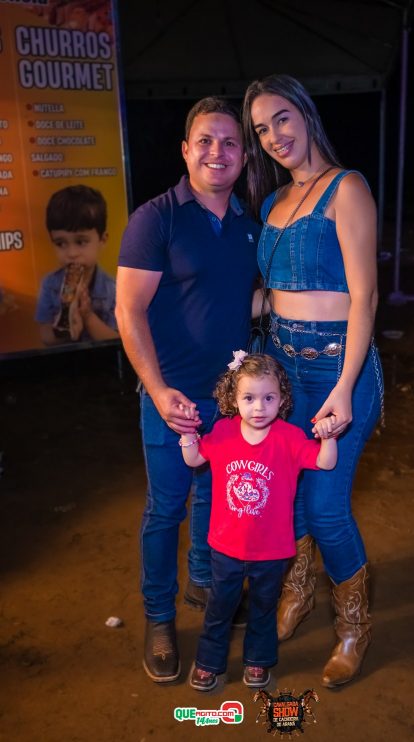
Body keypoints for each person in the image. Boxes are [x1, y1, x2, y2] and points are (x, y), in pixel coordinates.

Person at [241, 74, 384, 689]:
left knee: (325, 509)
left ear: (304, 113)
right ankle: (297, 588)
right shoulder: (272, 203)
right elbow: (267, 297)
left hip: (337, 370)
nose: (273, 137)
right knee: (287, 499)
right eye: (260, 130)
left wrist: (345, 386)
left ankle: (353, 624)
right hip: (282, 372)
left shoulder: (347, 188)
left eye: (281, 119)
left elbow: (366, 297)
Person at [116, 97, 261, 683]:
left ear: (243, 155)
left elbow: (240, 300)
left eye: (229, 142)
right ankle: (158, 619)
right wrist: (156, 389)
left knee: (213, 501)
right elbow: (128, 311)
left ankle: (202, 582)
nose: (217, 152)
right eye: (205, 140)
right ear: (185, 150)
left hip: (227, 401)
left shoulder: (250, 225)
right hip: (170, 401)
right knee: (166, 509)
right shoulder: (157, 218)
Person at [180, 351, 337, 691]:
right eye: (249, 398)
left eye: (269, 398)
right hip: (226, 546)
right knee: (220, 607)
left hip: (274, 549)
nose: (259, 407)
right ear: (233, 399)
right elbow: (194, 458)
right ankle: (208, 663)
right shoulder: (222, 432)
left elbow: (324, 463)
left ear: (282, 399)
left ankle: (257, 662)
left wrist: (329, 436)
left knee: (264, 609)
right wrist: (188, 432)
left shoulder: (291, 438)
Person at [35, 185, 118, 345]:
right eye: (60, 243)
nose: (71, 253)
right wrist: (66, 326)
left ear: (102, 240)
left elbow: (117, 341)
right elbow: (45, 337)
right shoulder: (49, 284)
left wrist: (87, 316)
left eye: (81, 242)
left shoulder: (113, 288)